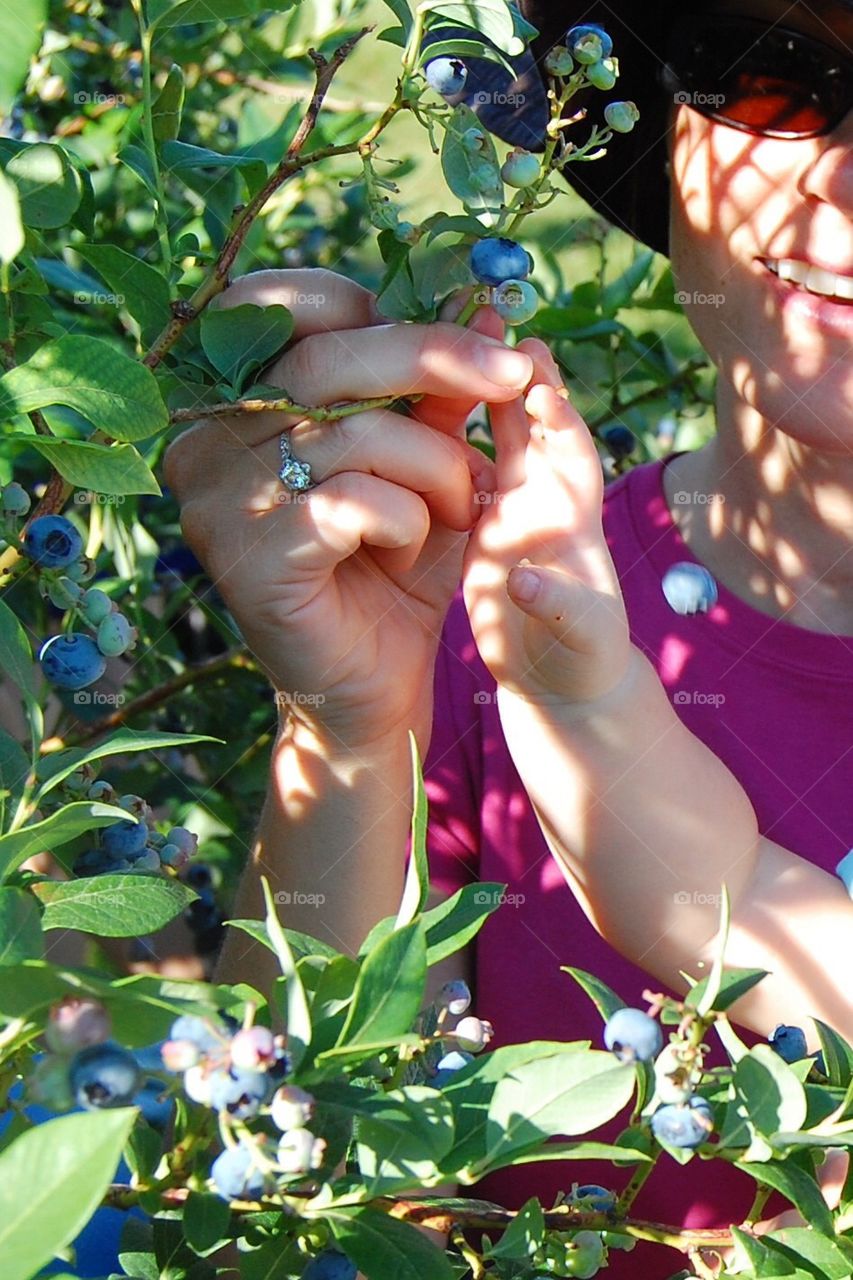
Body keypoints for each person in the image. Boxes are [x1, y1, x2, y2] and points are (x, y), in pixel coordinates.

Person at [164, 0, 852, 1272]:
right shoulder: (514, 603)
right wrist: (353, 723)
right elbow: (279, 1200)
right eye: (777, 76)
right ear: (671, 142)